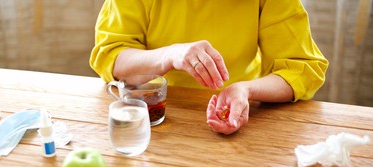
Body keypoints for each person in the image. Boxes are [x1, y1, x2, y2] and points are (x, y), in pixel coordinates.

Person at [90, 0, 328, 135]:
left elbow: (302, 69)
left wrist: (246, 90)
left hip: (242, 121)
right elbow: (111, 55)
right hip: (150, 119)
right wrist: (170, 54)